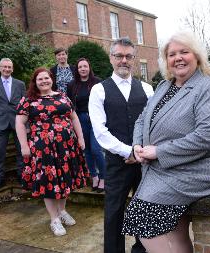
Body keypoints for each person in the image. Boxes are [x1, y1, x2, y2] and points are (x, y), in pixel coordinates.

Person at [122, 31, 210, 252]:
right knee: (176, 231)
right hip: (162, 170)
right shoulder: (164, 86)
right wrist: (137, 146)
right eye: (172, 54)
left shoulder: (209, 88)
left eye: (184, 52)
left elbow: (208, 135)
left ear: (197, 56)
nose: (178, 58)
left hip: (194, 170)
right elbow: (142, 119)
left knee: (143, 221)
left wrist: (159, 152)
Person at [88, 37, 154, 253]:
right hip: (117, 163)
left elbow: (153, 124)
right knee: (114, 212)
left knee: (144, 209)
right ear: (111, 58)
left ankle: (142, 250)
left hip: (145, 162)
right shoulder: (99, 90)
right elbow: (100, 132)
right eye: (119, 56)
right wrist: (128, 151)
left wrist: (141, 152)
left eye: (128, 56)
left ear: (134, 59)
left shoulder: (146, 88)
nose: (123, 60)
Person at [15, 68, 89, 236]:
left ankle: (62, 212)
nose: (44, 81)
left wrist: (81, 138)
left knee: (64, 179)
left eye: (46, 78)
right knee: (49, 180)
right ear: (35, 82)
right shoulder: (28, 100)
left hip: (66, 146)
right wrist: (24, 146)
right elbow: (19, 123)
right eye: (40, 79)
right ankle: (54, 219)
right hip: (43, 148)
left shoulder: (62, 96)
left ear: (51, 79)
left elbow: (74, 117)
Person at [67, 58, 106, 192]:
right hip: (80, 119)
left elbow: (104, 101)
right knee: (87, 150)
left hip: (95, 119)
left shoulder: (98, 82)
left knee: (96, 149)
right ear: (77, 70)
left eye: (85, 66)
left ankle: (103, 177)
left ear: (89, 68)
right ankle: (94, 176)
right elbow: (70, 105)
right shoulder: (72, 85)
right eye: (80, 67)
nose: (83, 69)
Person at [0, 58, 26, 190]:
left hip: (18, 122)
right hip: (0, 122)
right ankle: (0, 179)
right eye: (4, 67)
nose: (7, 69)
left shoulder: (20, 84)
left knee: (21, 150)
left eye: (9, 67)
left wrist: (26, 125)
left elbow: (24, 106)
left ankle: (22, 176)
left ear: (12, 69)